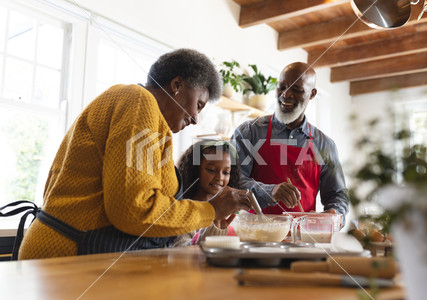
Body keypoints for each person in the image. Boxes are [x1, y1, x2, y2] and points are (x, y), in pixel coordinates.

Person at [14, 48, 251, 259]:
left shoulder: (148, 120)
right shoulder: (139, 102)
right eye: (198, 104)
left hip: (73, 257)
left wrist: (206, 213)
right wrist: (209, 210)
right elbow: (135, 209)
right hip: (66, 260)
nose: (196, 119)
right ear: (177, 85)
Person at [231, 62, 348, 223]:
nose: (286, 95)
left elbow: (337, 194)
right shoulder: (249, 132)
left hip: (303, 238)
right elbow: (233, 181)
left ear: (312, 94)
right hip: (255, 235)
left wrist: (333, 214)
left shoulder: (324, 144)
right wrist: (270, 191)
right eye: (282, 87)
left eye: (297, 90)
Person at [173, 140, 240, 246]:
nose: (220, 177)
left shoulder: (232, 214)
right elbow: (180, 249)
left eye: (226, 172)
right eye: (211, 170)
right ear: (195, 170)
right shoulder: (184, 211)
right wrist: (213, 231)